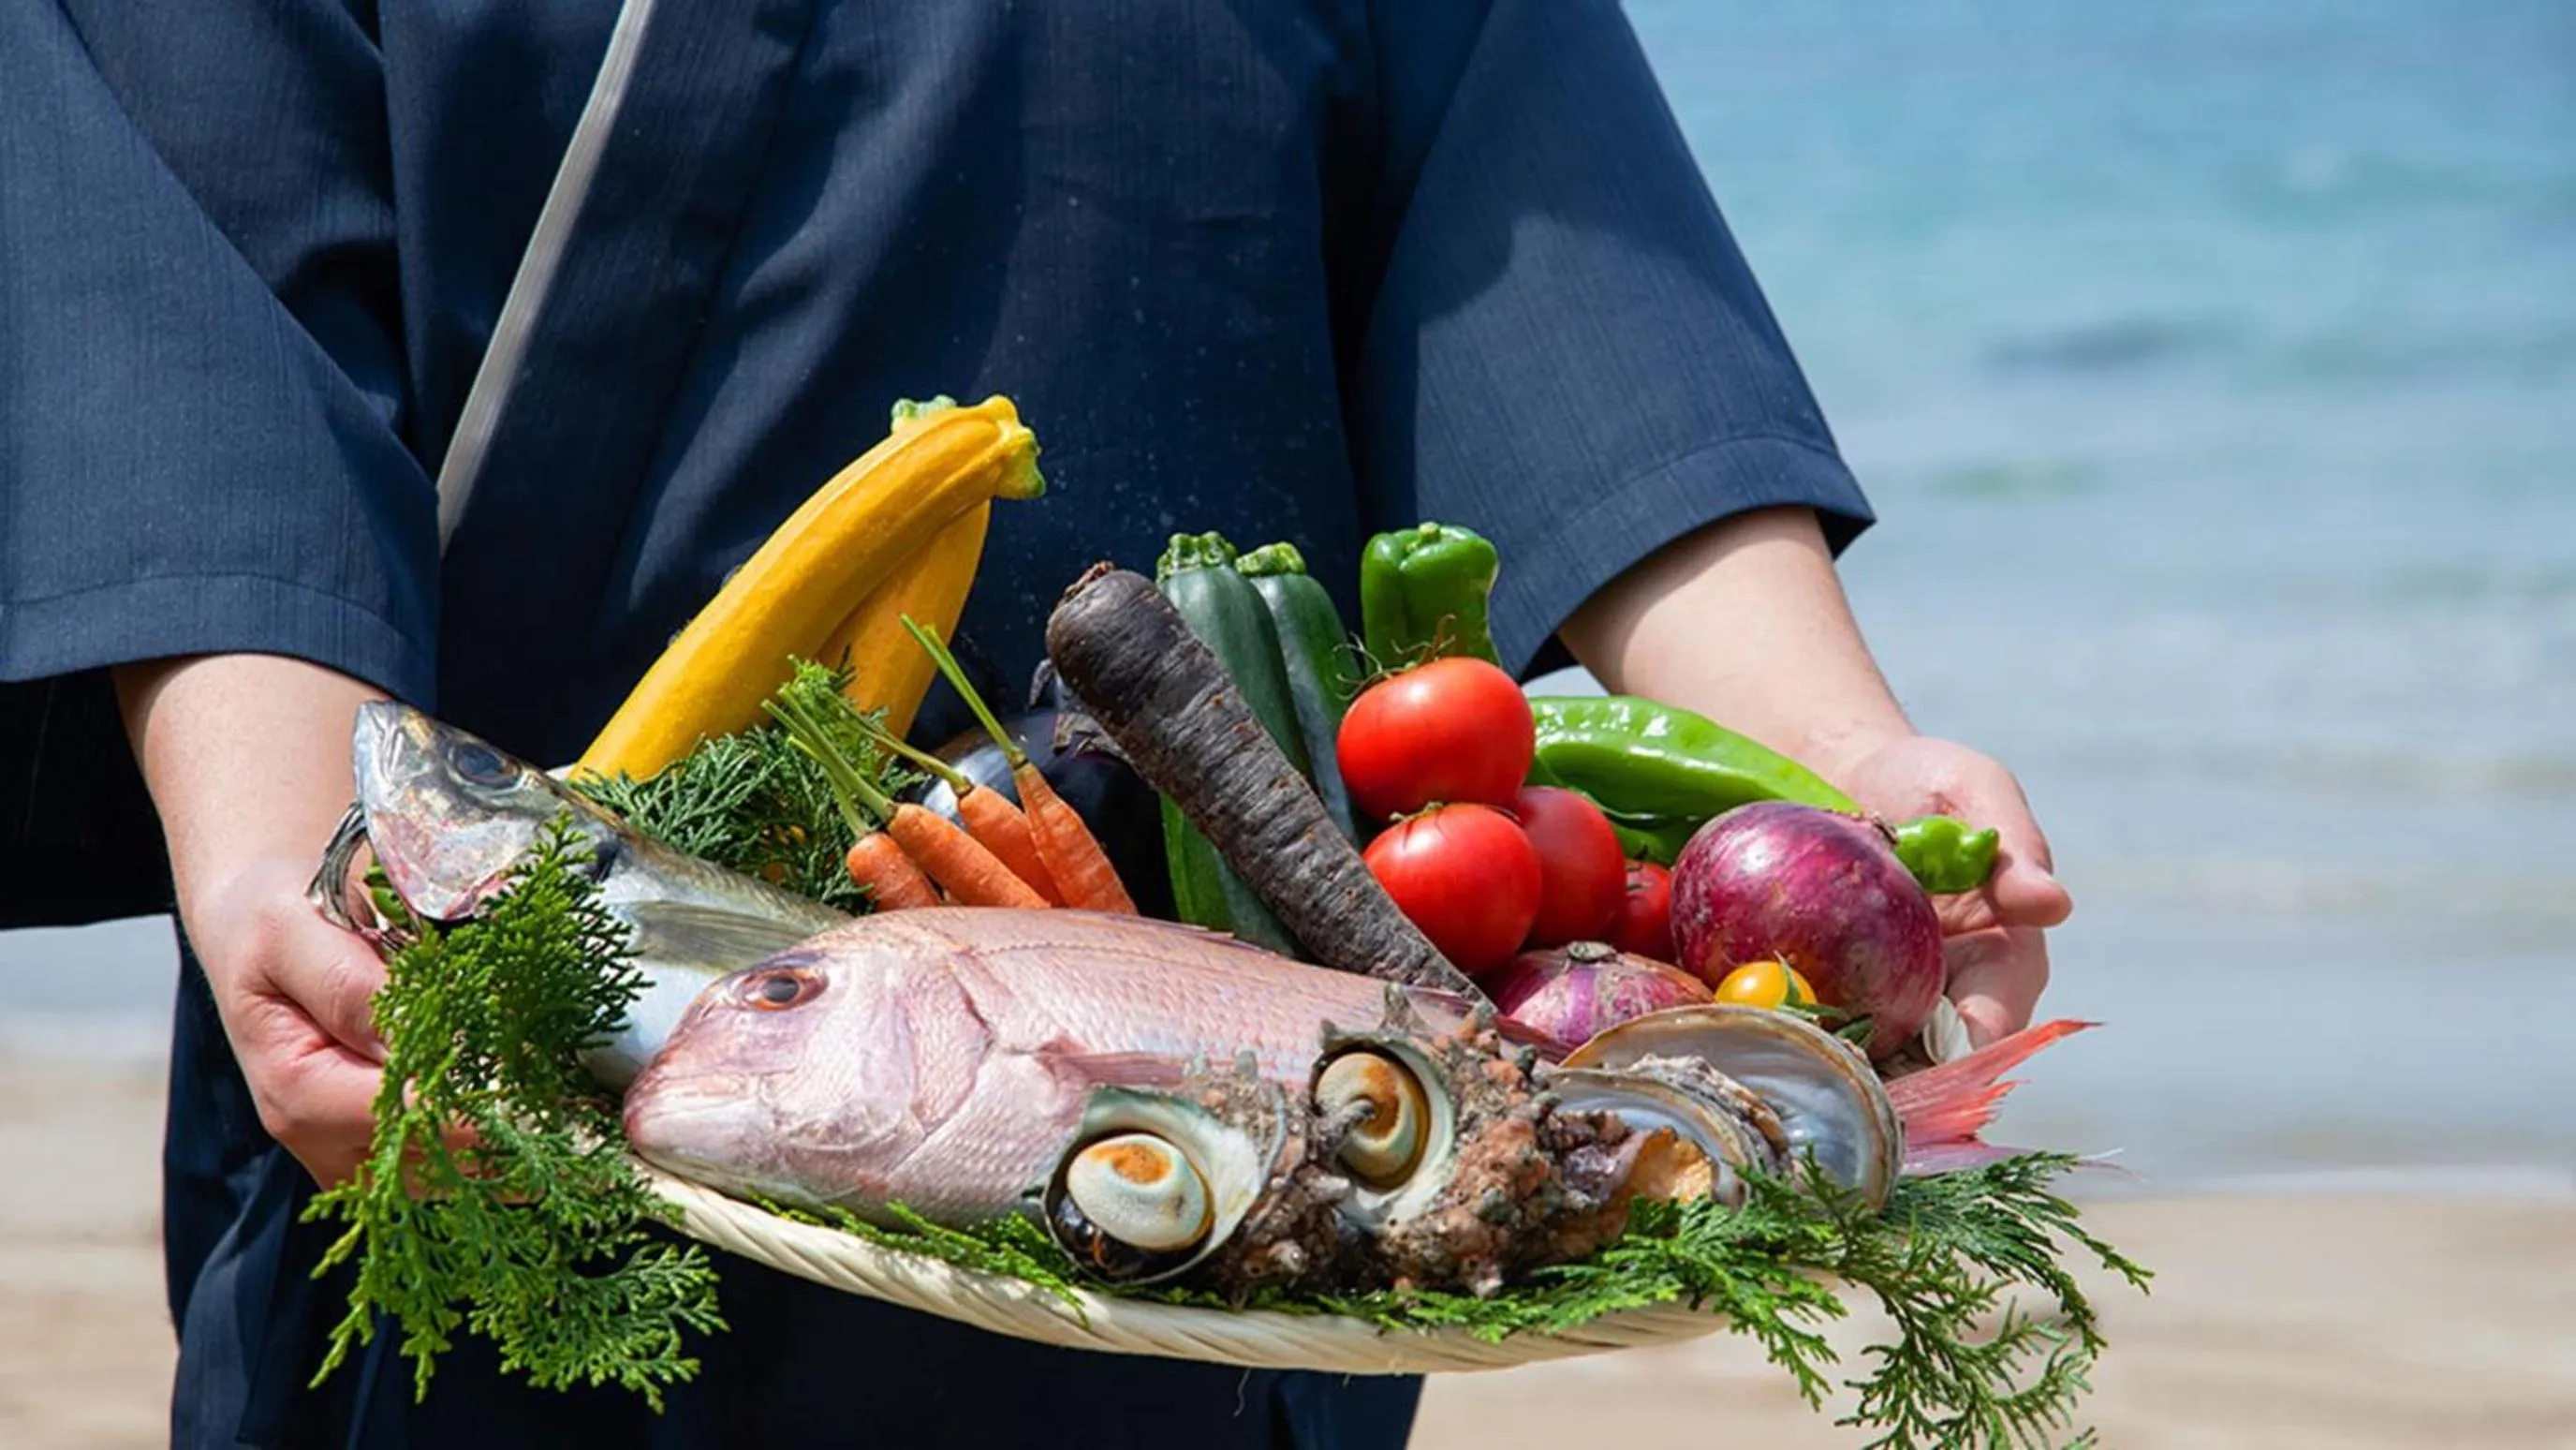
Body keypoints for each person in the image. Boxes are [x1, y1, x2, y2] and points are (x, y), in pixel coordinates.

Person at [0, 2, 2071, 1446]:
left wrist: (1841, 765)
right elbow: (188, 358)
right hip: (490, 1092)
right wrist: (292, 863)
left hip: (1218, 1173)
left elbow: (1555, 299)